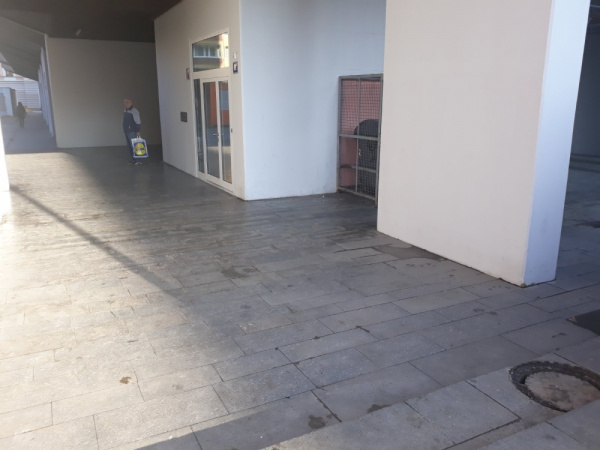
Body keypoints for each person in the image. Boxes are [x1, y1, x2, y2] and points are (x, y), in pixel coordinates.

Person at [122, 98, 142, 165]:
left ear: (131, 103)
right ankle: (133, 159)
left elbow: (138, 121)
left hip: (132, 131)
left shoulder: (134, 111)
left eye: (128, 102)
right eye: (125, 102)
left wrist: (138, 131)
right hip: (127, 131)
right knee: (130, 146)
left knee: (135, 145)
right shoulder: (125, 110)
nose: (126, 104)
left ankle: (138, 160)